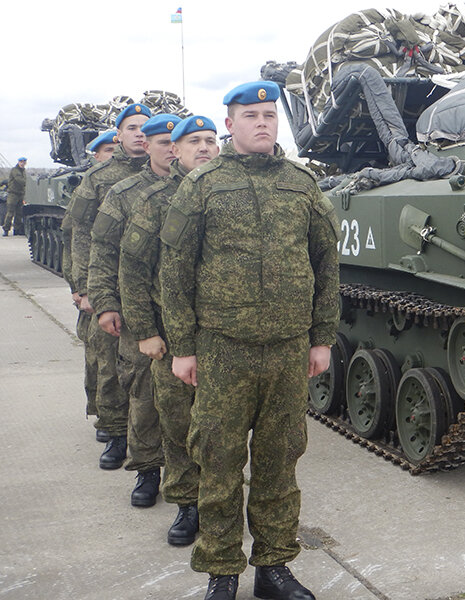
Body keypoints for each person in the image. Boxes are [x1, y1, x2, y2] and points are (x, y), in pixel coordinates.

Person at [159, 81, 339, 600]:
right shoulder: (203, 185)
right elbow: (175, 270)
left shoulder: (302, 184)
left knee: (280, 461)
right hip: (222, 350)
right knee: (217, 461)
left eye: (269, 114)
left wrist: (321, 338)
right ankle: (221, 571)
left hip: (288, 350)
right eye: (251, 115)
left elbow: (327, 264)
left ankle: (274, 569)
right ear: (230, 124)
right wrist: (183, 347)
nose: (263, 122)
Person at [119, 115, 219, 543]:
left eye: (211, 140)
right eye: (193, 140)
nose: (204, 148)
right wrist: (144, 331)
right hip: (172, 340)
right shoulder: (156, 200)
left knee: (221, 430)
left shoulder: (227, 191)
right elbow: (133, 269)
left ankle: (222, 504)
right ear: (174, 149)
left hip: (224, 339)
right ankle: (187, 504)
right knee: (178, 426)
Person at [89, 113, 180, 507]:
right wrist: (104, 302)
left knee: (184, 409)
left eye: (174, 142)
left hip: (185, 318)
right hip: (139, 314)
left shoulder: (197, 190)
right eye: (161, 142)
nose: (169, 150)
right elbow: (103, 250)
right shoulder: (124, 193)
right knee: (143, 399)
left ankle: (186, 480)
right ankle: (146, 471)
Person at [68, 103, 151, 470]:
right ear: (118, 135)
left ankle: (147, 441)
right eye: (131, 127)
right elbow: (80, 232)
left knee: (145, 371)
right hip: (108, 286)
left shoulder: (164, 174)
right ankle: (116, 433)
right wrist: (83, 285)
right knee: (109, 365)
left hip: (147, 290)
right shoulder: (100, 178)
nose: (139, 133)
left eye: (145, 128)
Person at [62, 130, 119, 442]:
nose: (112, 154)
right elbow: (75, 239)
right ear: (95, 155)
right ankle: (106, 417)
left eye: (115, 149)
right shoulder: (93, 182)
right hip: (96, 284)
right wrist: (79, 286)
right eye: (107, 150)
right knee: (100, 356)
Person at [3, 157, 27, 236]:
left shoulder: (23, 171)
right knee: (10, 213)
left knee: (19, 213)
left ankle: (17, 229)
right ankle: (6, 229)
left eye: (24, 162)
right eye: (21, 162)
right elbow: (19, 180)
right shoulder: (15, 170)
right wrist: (29, 183)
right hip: (13, 194)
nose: (22, 163)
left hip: (20, 194)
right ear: (18, 162)